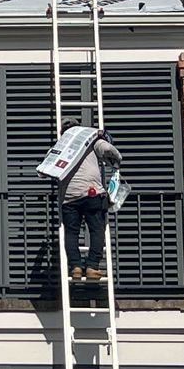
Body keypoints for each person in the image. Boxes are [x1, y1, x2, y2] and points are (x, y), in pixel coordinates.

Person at [57, 117, 122, 280]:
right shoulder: (90, 140)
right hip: (91, 192)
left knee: (71, 233)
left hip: (69, 197)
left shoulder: (61, 145)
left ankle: (76, 267)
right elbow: (109, 149)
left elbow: (48, 165)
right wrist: (115, 161)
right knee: (96, 229)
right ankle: (92, 266)